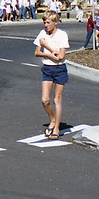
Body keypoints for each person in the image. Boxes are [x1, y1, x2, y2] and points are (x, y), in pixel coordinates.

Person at [34, 10, 69, 139]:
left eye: (48, 22)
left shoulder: (62, 35)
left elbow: (60, 56)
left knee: (57, 99)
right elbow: (37, 52)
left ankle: (57, 128)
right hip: (47, 68)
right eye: (44, 22)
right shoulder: (42, 33)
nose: (46, 25)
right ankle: (52, 120)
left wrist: (47, 46)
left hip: (59, 69)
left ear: (56, 22)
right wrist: (48, 54)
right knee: (45, 100)